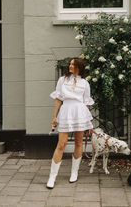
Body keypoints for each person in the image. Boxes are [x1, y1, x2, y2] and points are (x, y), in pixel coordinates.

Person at [46, 57, 94, 189]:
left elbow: (86, 103)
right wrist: (54, 116)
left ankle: (74, 172)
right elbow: (58, 99)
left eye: (73, 64)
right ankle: (52, 177)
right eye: (70, 64)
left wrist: (86, 119)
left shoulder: (85, 83)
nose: (70, 66)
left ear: (79, 67)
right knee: (61, 144)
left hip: (79, 113)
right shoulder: (62, 80)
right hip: (66, 111)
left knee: (79, 142)